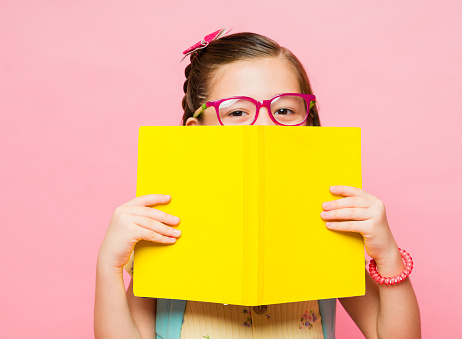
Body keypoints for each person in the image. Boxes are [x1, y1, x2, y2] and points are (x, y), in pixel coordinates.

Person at [94, 30, 421, 339]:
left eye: (283, 110)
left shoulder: (328, 226)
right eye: (237, 112)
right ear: (196, 131)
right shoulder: (165, 228)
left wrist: (387, 253)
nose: (263, 126)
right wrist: (108, 267)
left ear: (308, 122)